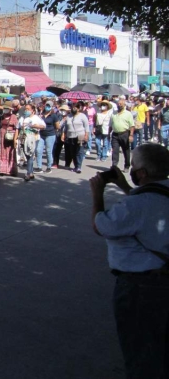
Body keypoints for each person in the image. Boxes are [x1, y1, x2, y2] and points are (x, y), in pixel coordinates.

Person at [89, 143, 169, 379]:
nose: (131, 169)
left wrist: (97, 194)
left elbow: (101, 225)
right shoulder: (155, 195)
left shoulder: (135, 206)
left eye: (133, 166)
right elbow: (150, 203)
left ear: (142, 173)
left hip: (141, 287)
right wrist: (124, 186)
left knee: (141, 351)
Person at [18, 103, 45, 181]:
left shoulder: (36, 118)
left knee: (30, 155)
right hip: (24, 138)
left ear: (33, 110)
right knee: (27, 155)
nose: (26, 111)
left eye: (28, 109)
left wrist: (34, 126)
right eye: (25, 109)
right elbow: (18, 127)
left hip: (33, 138)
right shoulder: (23, 118)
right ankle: (31, 172)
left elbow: (43, 126)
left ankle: (28, 173)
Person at [61, 102, 89, 173]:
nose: (74, 108)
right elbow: (66, 127)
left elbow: (86, 127)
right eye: (73, 107)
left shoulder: (82, 116)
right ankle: (76, 166)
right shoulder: (69, 116)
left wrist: (86, 135)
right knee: (73, 152)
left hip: (80, 136)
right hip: (70, 136)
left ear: (79, 109)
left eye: (76, 107)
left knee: (79, 151)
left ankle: (79, 166)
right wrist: (63, 135)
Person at [110, 98, 135, 172]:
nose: (119, 105)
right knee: (115, 151)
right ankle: (114, 166)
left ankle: (127, 166)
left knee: (126, 151)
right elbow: (111, 125)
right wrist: (109, 134)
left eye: (121, 104)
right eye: (118, 104)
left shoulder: (128, 114)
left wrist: (131, 135)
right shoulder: (114, 113)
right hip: (115, 135)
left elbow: (132, 126)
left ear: (124, 105)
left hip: (125, 134)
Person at [37, 100, 60, 173]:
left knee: (48, 151)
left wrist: (53, 130)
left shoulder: (54, 116)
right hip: (41, 134)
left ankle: (49, 167)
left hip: (50, 135)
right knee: (38, 150)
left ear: (51, 107)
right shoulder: (41, 114)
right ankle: (39, 167)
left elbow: (57, 126)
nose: (47, 107)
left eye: (49, 106)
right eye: (46, 105)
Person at [0, 101, 19, 177]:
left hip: (10, 136)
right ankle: (2, 169)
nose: (5, 109)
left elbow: (17, 128)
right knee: (2, 152)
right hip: (2, 135)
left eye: (6, 108)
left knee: (11, 153)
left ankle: (11, 170)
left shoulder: (13, 116)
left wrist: (15, 138)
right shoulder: (2, 116)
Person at [52, 104, 70, 169]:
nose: (63, 111)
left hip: (67, 135)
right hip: (58, 134)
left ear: (67, 111)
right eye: (62, 110)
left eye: (64, 110)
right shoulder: (58, 117)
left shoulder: (70, 117)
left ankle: (67, 164)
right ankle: (55, 163)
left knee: (67, 150)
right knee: (56, 150)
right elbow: (56, 125)